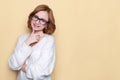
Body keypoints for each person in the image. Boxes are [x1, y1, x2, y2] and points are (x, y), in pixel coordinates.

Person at [8, 4, 56, 80]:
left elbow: (40, 73)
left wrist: (23, 67)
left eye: (42, 20)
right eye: (36, 17)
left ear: (47, 25)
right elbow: (13, 64)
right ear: (31, 17)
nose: (37, 22)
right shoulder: (22, 38)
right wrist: (27, 42)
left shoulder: (49, 40)